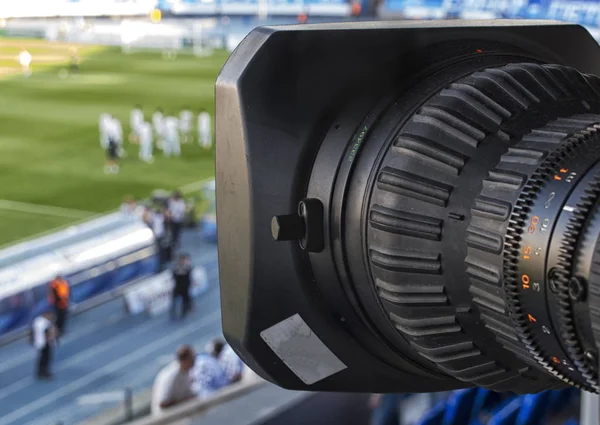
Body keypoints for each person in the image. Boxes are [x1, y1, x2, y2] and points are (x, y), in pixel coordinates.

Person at [151, 345, 196, 416]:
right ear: (185, 360)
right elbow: (162, 404)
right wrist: (185, 401)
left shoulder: (186, 372)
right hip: (166, 418)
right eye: (192, 358)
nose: (194, 360)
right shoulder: (171, 375)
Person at [32, 310, 57, 379]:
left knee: (41, 358)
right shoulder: (45, 322)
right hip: (45, 343)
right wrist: (51, 340)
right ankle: (44, 372)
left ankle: (40, 372)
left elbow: (33, 331)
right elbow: (47, 333)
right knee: (46, 358)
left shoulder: (37, 321)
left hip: (38, 342)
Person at [171, 253, 192, 320]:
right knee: (174, 299)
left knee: (186, 299)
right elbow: (174, 274)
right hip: (178, 286)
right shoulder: (177, 267)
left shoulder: (187, 266)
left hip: (185, 286)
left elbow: (186, 272)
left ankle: (185, 312)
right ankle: (174, 313)